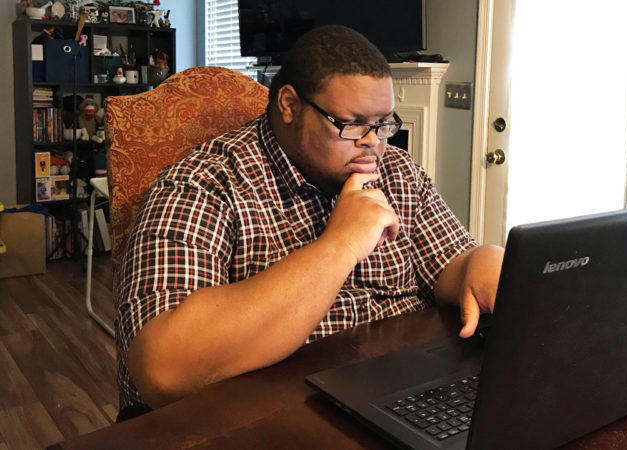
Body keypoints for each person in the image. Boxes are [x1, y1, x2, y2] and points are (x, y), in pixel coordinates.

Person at [115, 25, 505, 420]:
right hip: (272, 415)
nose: (373, 142)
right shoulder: (203, 186)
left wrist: (480, 261)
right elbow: (164, 369)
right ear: (289, 105)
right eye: (352, 123)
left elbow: (451, 263)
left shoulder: (397, 172)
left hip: (403, 396)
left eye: (383, 123)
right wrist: (342, 245)